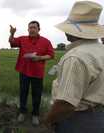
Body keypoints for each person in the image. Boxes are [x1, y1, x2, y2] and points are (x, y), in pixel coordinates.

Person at [44, 1, 104, 133]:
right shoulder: (100, 49)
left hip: (77, 120)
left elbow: (66, 104)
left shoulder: (76, 57)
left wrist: (49, 120)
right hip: (98, 116)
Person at [9, 21, 54, 125]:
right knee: (23, 92)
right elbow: (12, 43)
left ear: (39, 29)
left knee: (37, 94)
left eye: (34, 27)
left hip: (37, 73)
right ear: (28, 29)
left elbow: (51, 55)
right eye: (30, 28)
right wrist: (12, 34)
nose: (32, 29)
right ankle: (22, 112)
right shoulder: (22, 39)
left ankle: (35, 114)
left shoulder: (45, 41)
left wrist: (39, 58)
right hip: (24, 71)